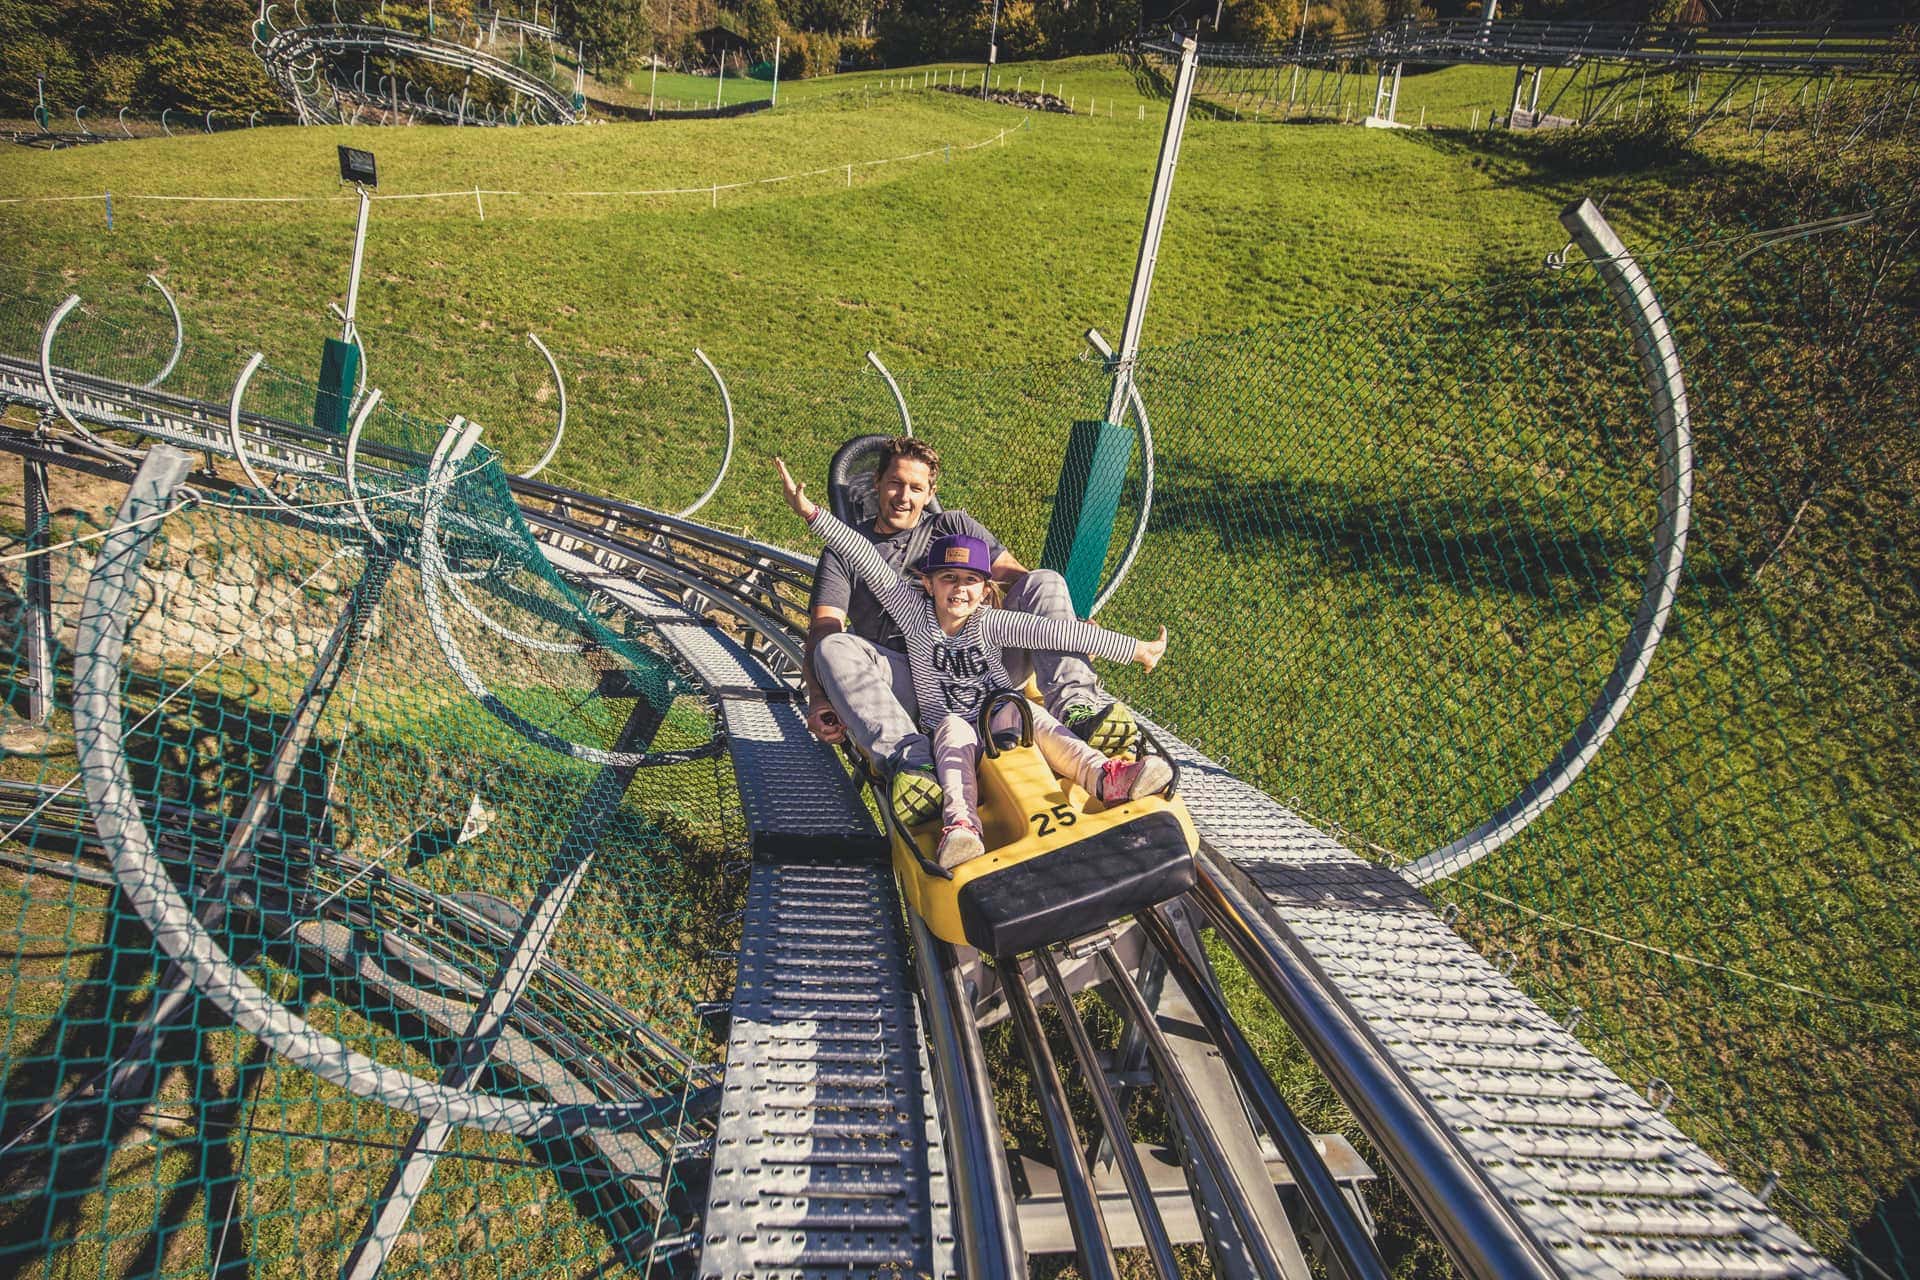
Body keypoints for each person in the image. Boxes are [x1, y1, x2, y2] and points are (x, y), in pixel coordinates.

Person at [779, 458, 1172, 868]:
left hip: (1000, 710)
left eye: (970, 582)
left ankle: (1105, 773)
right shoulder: (913, 613)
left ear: (986, 590)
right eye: (948, 579)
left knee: (1037, 721)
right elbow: (865, 558)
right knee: (951, 741)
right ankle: (960, 824)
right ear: (927, 584)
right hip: (942, 716)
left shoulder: (990, 620)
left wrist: (1135, 649)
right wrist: (809, 513)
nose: (959, 590)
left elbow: (1057, 633)